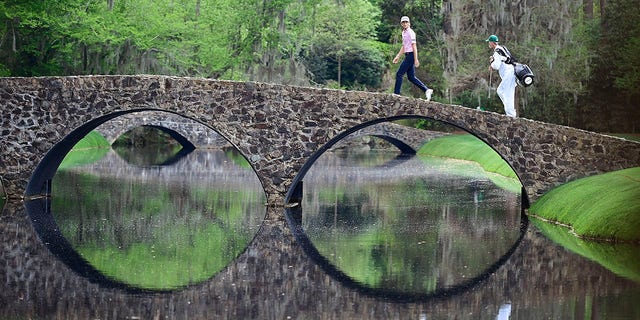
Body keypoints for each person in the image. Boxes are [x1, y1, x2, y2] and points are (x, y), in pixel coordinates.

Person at [393, 16, 433, 101]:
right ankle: (426, 90)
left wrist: (416, 59)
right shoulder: (403, 33)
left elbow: (414, 46)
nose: (405, 24)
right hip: (407, 55)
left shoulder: (410, 32)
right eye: (403, 22)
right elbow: (404, 46)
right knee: (411, 77)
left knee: (399, 74)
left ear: (409, 23)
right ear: (401, 24)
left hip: (411, 55)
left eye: (406, 22)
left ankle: (396, 94)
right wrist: (397, 56)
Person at [487, 34, 517, 117]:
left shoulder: (497, 51)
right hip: (510, 72)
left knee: (506, 93)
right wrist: (493, 59)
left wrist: (491, 65)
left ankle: (511, 115)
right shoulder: (501, 48)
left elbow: (496, 65)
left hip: (509, 73)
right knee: (500, 91)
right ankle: (509, 111)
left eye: (489, 42)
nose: (488, 44)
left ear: (492, 43)